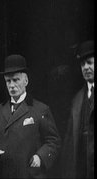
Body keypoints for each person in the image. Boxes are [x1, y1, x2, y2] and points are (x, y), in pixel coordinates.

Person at [0, 54, 61, 178]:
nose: (12, 85)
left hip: (28, 174)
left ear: (26, 81)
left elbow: (53, 141)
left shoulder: (40, 110)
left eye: (16, 80)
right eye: (8, 81)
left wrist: (40, 156)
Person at [61, 40, 94, 179]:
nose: (86, 67)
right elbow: (69, 143)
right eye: (82, 64)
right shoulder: (77, 99)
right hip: (81, 168)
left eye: (90, 63)